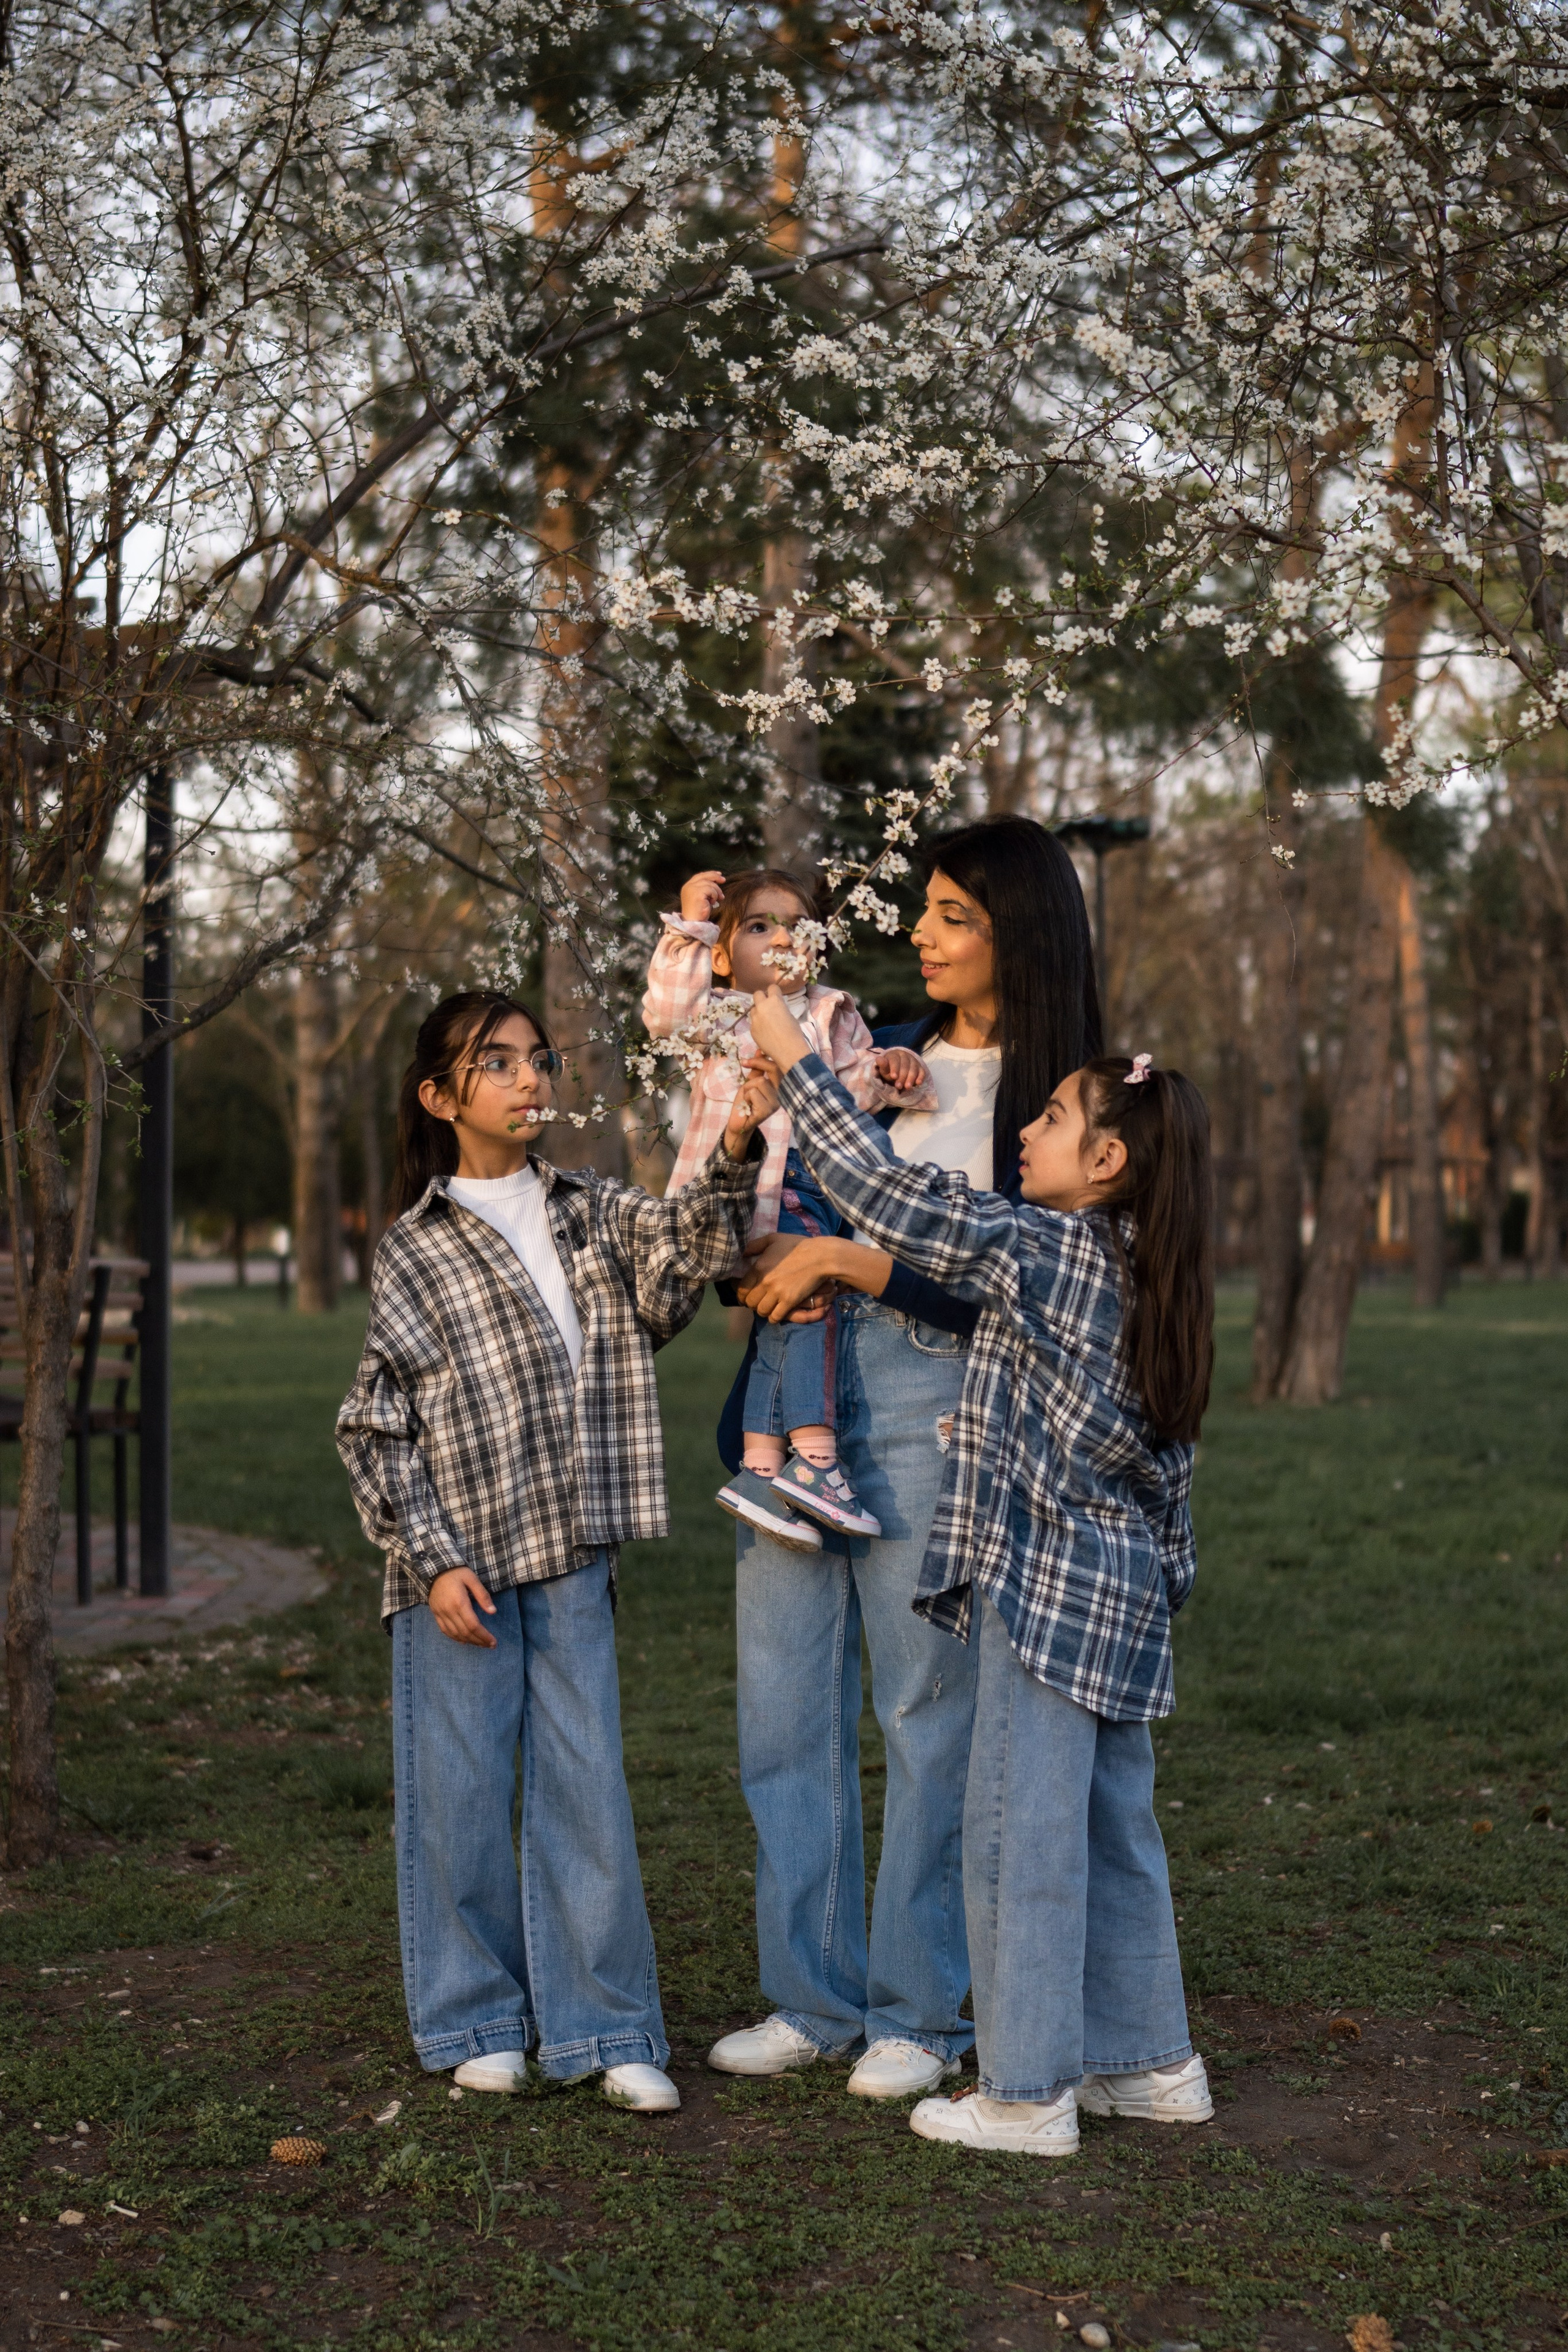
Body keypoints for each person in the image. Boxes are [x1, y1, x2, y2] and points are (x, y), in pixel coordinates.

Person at [745, 991, 1215, 2157]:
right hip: (1122, 1592)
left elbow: (893, 1199)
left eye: (1053, 1119)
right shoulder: (1145, 1273)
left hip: (1045, 1588)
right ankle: (1153, 2065)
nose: (1027, 1133)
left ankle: (1024, 2090)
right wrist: (1166, 1589)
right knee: (1114, 1830)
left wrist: (800, 1062)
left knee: (1017, 1835)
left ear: (1106, 1160)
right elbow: (1174, 1477)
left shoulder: (1049, 1247)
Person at [706, 817, 1102, 2103]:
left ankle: (916, 2009)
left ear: (1018, 933)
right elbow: (789, 1187)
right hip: (799, 1395)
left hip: (941, 1409)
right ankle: (808, 1997)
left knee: (925, 1711)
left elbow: (1019, 1288)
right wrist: (762, 1261)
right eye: (921, 911)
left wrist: (847, 1260)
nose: (920, 937)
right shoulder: (875, 1063)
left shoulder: (1063, 1105)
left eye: (951, 916)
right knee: (783, 1705)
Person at [336, 989, 769, 2114]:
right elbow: (373, 1426)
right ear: (441, 1098)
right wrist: (431, 1558)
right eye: (498, 1065)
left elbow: (689, 1257)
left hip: (572, 1545)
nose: (531, 1080)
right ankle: (476, 2014)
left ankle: (607, 2025)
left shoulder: (593, 1211)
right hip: (457, 1567)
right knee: (462, 1792)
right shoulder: (413, 1251)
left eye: (538, 1059)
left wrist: (731, 1140)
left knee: (586, 1786)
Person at [642, 866, 932, 1547]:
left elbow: (853, 1092)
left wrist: (893, 1071)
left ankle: (760, 1464)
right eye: (757, 926)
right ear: (722, 956)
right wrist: (693, 926)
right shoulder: (717, 1011)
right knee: (812, 1308)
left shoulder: (834, 1010)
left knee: (780, 1319)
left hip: (816, 1184)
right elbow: (666, 1012)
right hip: (748, 1182)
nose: (779, 942)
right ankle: (817, 1459)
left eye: (794, 927)